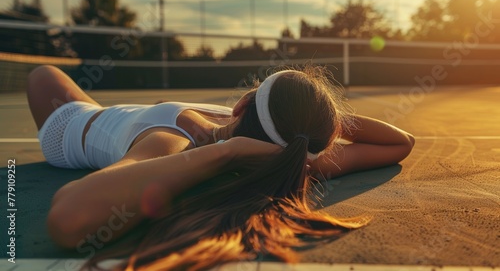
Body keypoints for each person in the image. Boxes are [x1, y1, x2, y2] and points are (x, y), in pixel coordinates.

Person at [27, 64, 415, 270]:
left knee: (42, 74)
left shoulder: (170, 141)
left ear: (242, 106)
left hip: (76, 127)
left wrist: (223, 151)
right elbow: (402, 142)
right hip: (124, 120)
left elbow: (66, 218)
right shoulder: (295, 162)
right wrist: (311, 126)